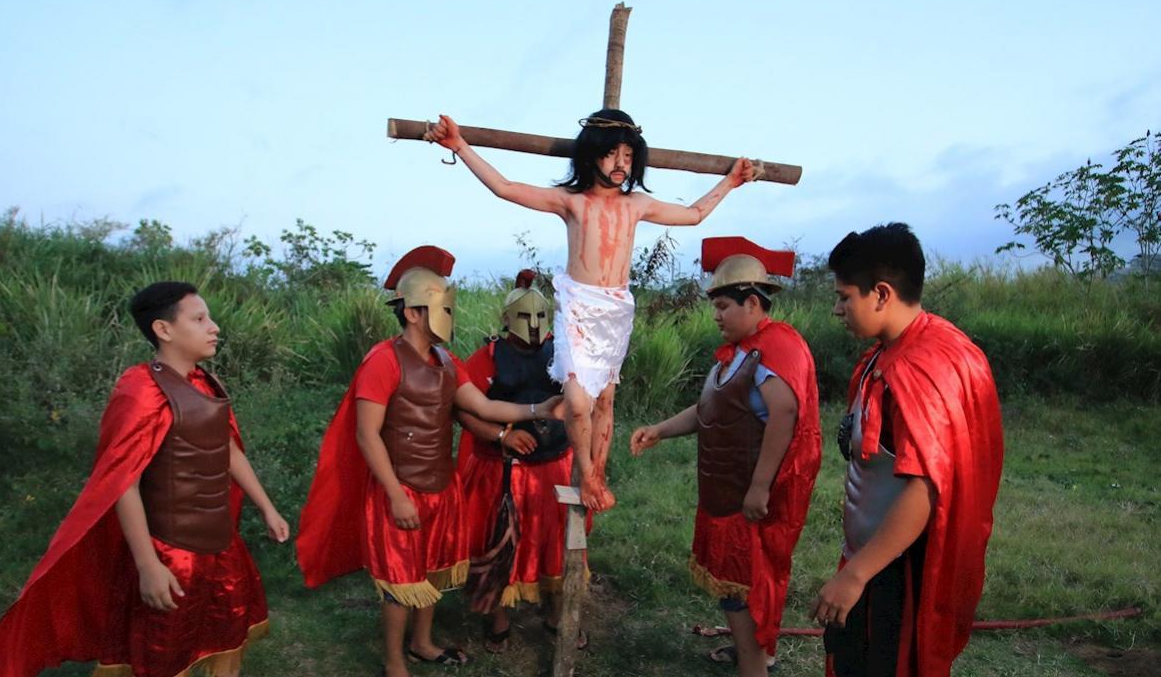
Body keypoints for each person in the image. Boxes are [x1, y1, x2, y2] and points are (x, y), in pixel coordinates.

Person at [426, 110, 756, 512]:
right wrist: (459, 145)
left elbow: (694, 215)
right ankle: (586, 473)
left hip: (615, 310)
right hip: (580, 307)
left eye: (628, 156)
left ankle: (597, 473)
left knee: (605, 401)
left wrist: (731, 182)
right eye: (611, 154)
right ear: (591, 156)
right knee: (578, 402)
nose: (620, 164)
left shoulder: (636, 205)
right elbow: (506, 187)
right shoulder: (573, 203)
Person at [0, 281, 289, 677]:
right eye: (199, 319)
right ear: (163, 330)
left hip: (222, 544)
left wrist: (267, 508)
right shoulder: (141, 390)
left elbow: (229, 449)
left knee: (225, 634)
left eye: (209, 317)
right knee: (163, 652)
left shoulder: (205, 382)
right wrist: (148, 564)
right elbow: (121, 481)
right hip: (170, 550)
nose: (213, 326)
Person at [295, 246, 563, 677]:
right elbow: (367, 434)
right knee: (401, 581)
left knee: (433, 573)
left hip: (441, 487)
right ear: (413, 313)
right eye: (440, 306)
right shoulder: (382, 361)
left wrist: (540, 409)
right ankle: (395, 662)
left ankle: (421, 643)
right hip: (399, 488)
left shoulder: (446, 361)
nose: (448, 314)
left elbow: (484, 407)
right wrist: (394, 494)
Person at [810, 223, 1004, 677]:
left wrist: (855, 575)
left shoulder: (921, 367)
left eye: (843, 297)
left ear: (880, 294)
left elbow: (927, 487)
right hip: (877, 549)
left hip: (900, 568)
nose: (838, 309)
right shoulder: (904, 347)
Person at [630, 238, 821, 677]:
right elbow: (709, 411)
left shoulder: (776, 348)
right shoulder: (736, 355)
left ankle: (754, 667)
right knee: (733, 590)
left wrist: (759, 485)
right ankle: (748, 654)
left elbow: (785, 414)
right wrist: (659, 429)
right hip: (725, 493)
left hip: (746, 500)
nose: (715, 316)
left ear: (752, 303)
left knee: (745, 592)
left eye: (722, 307)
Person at [454, 269, 584, 653]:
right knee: (496, 544)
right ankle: (497, 617)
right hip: (500, 469)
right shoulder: (485, 358)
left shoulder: (562, 355)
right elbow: (464, 410)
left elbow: (581, 400)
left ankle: (556, 613)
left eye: (540, 316)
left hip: (553, 464)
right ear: (507, 318)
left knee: (556, 544)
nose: (533, 324)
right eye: (524, 316)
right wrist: (502, 435)